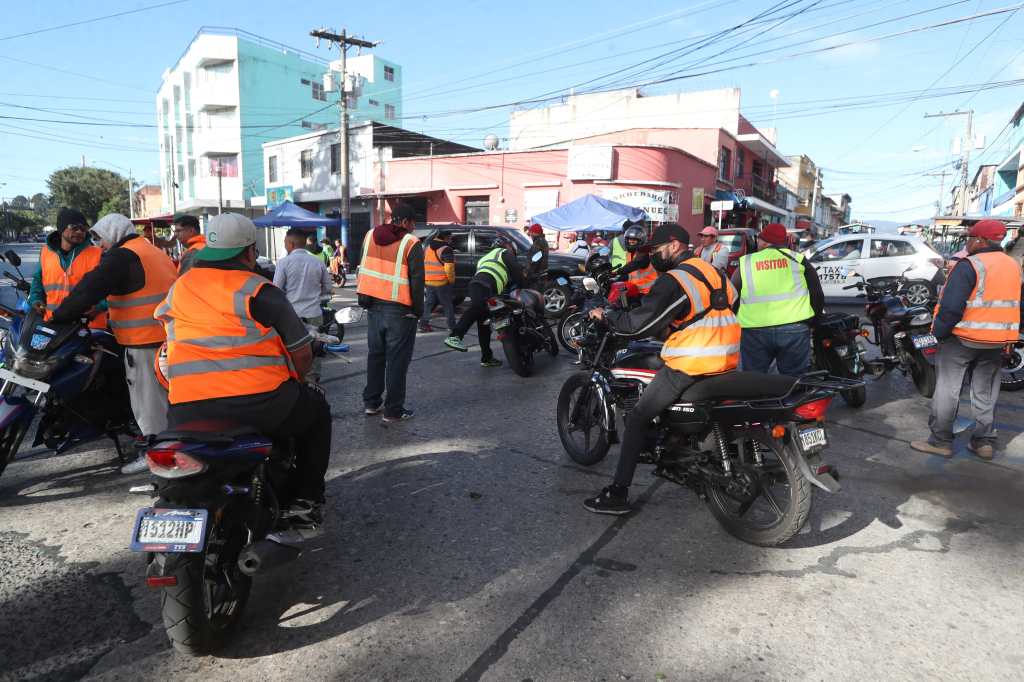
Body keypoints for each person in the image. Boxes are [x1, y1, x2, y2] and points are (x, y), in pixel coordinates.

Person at [155, 213, 332, 530]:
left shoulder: (179, 288)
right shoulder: (260, 291)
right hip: (261, 406)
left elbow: (168, 334)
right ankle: (305, 500)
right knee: (317, 410)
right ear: (250, 252)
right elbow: (301, 353)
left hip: (187, 408)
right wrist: (299, 377)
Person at [583, 223, 740, 514]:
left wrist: (606, 316)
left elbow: (637, 325)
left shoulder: (675, 279)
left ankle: (618, 493)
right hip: (728, 359)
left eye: (657, 250)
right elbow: (729, 307)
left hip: (692, 361)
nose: (654, 256)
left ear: (674, 245)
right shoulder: (714, 273)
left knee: (639, 416)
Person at [50, 213, 177, 474]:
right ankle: (164, 447)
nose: (99, 245)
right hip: (165, 336)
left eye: (101, 238)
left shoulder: (123, 256)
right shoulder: (147, 250)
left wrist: (60, 316)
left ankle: (156, 454)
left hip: (145, 340)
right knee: (163, 400)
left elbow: (90, 287)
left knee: (148, 404)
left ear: (114, 233)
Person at [911, 220, 1023, 461]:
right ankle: (984, 442)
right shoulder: (1013, 266)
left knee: (947, 391)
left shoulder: (970, 265)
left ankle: (941, 442)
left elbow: (951, 308)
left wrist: (938, 334)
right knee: (985, 393)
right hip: (995, 341)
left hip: (961, 340)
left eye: (969, 238)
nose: (967, 242)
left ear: (981, 240)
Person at [357, 203, 424, 422]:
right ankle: (393, 410)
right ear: (405, 222)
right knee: (397, 360)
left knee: (376, 356)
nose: (413, 228)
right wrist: (418, 311)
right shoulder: (410, 243)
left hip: (373, 306)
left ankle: (371, 403)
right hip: (400, 311)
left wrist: (364, 299)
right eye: (412, 223)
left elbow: (363, 267)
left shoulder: (369, 236)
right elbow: (417, 281)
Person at [732, 222, 824, 377]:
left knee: (753, 380)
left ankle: (760, 401)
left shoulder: (746, 262)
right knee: (794, 381)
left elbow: (733, 297)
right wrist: (813, 322)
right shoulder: (798, 260)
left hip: (754, 331)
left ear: (765, 242)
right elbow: (817, 295)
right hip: (795, 329)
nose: (758, 242)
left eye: (759, 239)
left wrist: (736, 322)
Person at [444, 235, 525, 367]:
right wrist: (524, 283)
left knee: (484, 325)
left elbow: (498, 275)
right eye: (512, 250)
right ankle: (455, 336)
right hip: (483, 286)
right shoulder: (503, 252)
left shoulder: (485, 258)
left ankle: (487, 357)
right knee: (477, 307)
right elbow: (517, 272)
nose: (513, 253)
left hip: (482, 287)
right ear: (507, 246)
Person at [28, 207, 108, 329]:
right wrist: (35, 299)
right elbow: (38, 280)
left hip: (88, 327)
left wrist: (100, 307)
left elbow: (114, 287)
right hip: (53, 324)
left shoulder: (98, 254)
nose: (80, 231)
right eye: (74, 227)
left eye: (83, 228)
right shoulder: (45, 252)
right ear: (61, 229)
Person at [273, 228, 333, 383]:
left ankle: (294, 384)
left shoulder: (284, 263)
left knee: (292, 352)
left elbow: (276, 291)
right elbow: (327, 288)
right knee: (315, 351)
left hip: (291, 318)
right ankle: (312, 385)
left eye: (285, 242)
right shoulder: (317, 262)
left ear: (291, 244)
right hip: (314, 314)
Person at [419, 231, 457, 333]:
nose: (451, 240)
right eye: (450, 238)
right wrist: (451, 280)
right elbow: (449, 268)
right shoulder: (446, 249)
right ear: (445, 237)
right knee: (447, 305)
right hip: (441, 282)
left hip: (429, 281)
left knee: (429, 304)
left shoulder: (428, 248)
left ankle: (423, 324)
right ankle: (452, 326)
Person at [614, 224, 659, 297]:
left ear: (641, 241)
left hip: (647, 293)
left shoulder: (644, 254)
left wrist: (618, 272)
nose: (630, 242)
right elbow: (632, 274)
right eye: (629, 239)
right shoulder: (630, 254)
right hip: (634, 291)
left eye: (634, 240)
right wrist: (619, 278)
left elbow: (634, 264)